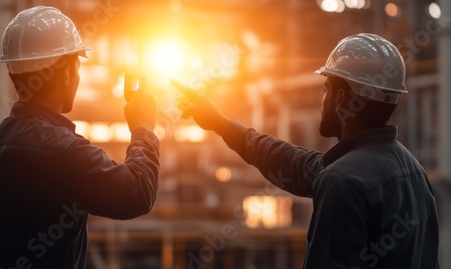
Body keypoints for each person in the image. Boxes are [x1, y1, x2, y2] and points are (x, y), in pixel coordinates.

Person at [172, 33, 439, 268]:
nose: (323, 100)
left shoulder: (343, 181)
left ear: (343, 99)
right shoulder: (412, 170)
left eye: (326, 89)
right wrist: (222, 125)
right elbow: (298, 166)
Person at [0, 6, 160, 268]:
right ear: (68, 72)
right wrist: (143, 129)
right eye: (77, 68)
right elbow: (137, 193)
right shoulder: (63, 151)